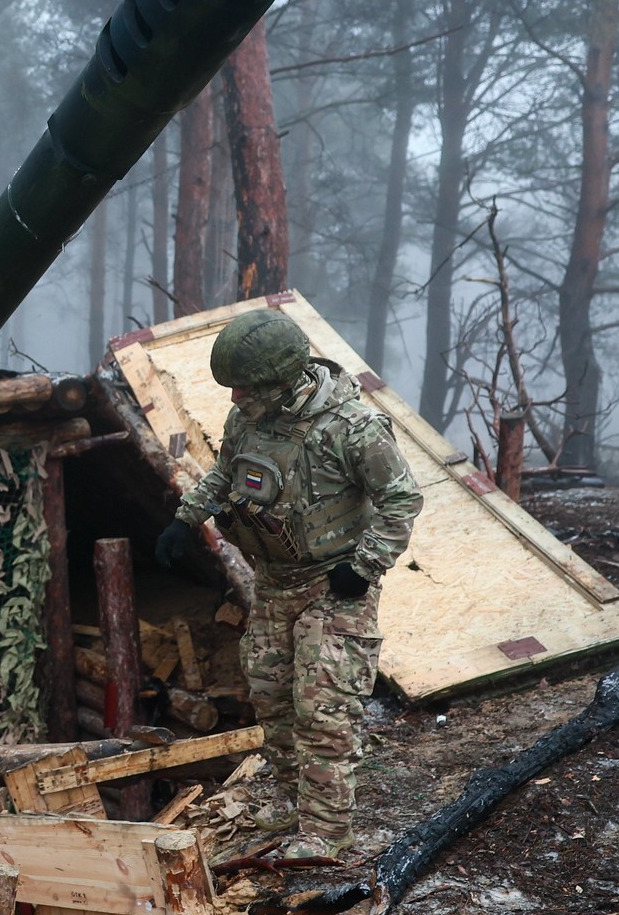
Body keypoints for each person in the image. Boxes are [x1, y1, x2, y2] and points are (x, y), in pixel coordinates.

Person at [155, 308, 422, 858]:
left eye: (245, 388)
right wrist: (186, 518)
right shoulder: (250, 420)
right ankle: (292, 805)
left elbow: (402, 499)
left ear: (282, 379)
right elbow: (226, 473)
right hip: (275, 582)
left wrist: (365, 567)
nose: (235, 398)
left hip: (336, 584)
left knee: (323, 707)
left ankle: (325, 833)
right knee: (272, 700)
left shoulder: (352, 427)